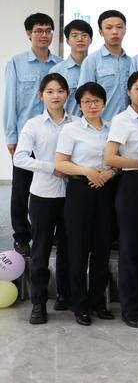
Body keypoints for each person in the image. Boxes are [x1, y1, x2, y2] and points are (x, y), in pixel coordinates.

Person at [54, 82, 117, 326]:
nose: (92, 105)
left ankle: (98, 302)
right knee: (78, 250)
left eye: (96, 101)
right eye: (86, 101)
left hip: (106, 190)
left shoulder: (112, 129)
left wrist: (109, 174)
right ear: (79, 105)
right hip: (80, 190)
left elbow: (116, 162)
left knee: (102, 249)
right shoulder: (71, 130)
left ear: (104, 103)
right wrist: (86, 171)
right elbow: (60, 163)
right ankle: (79, 305)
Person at [14, 74, 73, 324]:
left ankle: (65, 296)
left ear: (67, 94)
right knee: (40, 251)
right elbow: (19, 158)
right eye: (50, 91)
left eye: (60, 91)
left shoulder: (77, 123)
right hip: (43, 196)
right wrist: (52, 167)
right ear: (41, 96)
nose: (55, 95)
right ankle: (38, 303)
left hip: (71, 196)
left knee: (69, 250)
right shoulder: (33, 125)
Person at [4, 12, 62, 256]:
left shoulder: (59, 64)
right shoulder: (16, 63)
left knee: (54, 184)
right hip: (26, 135)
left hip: (54, 135)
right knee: (21, 189)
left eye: (48, 30)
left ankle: (52, 233)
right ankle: (21, 235)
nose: (44, 35)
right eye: (38, 30)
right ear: (29, 34)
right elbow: (10, 101)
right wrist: (11, 136)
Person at [103, 71, 138, 328]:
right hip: (131, 184)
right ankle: (129, 306)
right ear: (128, 91)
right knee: (130, 247)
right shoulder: (122, 120)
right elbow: (110, 157)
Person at [78, 9, 132, 121]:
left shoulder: (132, 62)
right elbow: (84, 97)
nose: (115, 32)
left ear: (125, 30)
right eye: (109, 28)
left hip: (128, 124)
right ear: (101, 32)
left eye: (119, 27)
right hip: (102, 124)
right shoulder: (91, 61)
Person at [49, 19, 93, 116]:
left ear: (91, 40)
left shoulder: (96, 67)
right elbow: (51, 104)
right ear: (67, 41)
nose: (80, 39)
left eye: (84, 35)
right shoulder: (57, 71)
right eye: (74, 35)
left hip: (94, 123)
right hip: (68, 123)